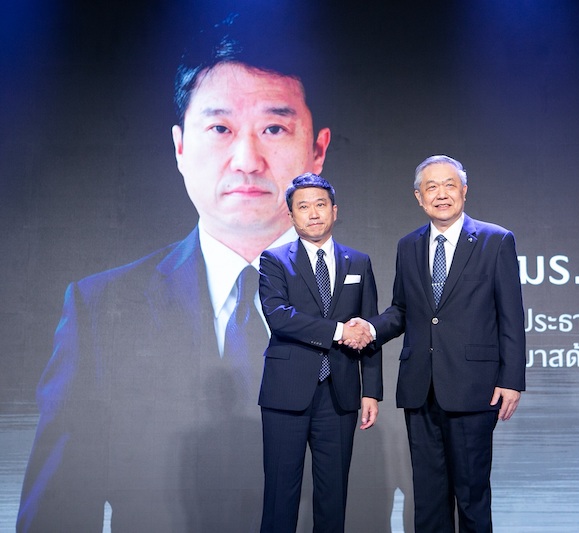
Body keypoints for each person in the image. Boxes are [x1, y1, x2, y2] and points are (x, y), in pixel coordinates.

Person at [17, 16, 330, 532]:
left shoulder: (385, 308)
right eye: (220, 128)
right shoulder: (101, 313)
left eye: (274, 128)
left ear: (317, 149)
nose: (247, 160)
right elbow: (56, 517)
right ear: (180, 147)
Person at [351, 155, 526, 532]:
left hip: (474, 388)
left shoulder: (495, 240)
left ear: (464, 190)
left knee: (471, 494)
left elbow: (511, 315)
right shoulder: (408, 245)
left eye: (449, 185)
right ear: (419, 197)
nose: (441, 194)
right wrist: (370, 328)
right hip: (421, 387)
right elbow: (402, 310)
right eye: (431, 187)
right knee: (429, 498)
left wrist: (511, 379)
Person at [257, 173, 382, 532]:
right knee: (280, 496)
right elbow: (280, 317)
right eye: (303, 207)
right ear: (291, 216)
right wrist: (340, 331)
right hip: (286, 393)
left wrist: (371, 391)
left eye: (320, 205)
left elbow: (369, 329)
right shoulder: (274, 260)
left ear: (334, 210)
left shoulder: (358, 262)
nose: (313, 213)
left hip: (339, 394)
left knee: (333, 497)